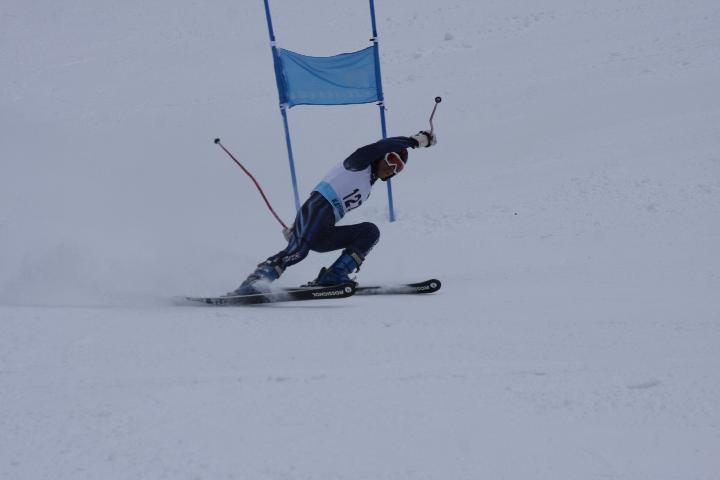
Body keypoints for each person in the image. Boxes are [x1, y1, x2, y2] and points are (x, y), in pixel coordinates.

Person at [230, 129, 438, 295]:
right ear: (380, 157)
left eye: (398, 168)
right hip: (319, 208)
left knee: (370, 232)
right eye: (391, 160)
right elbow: (379, 146)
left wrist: (298, 228)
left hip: (324, 226)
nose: (392, 168)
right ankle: (255, 282)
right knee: (297, 252)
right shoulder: (357, 163)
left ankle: (334, 275)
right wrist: (414, 141)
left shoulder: (368, 186)